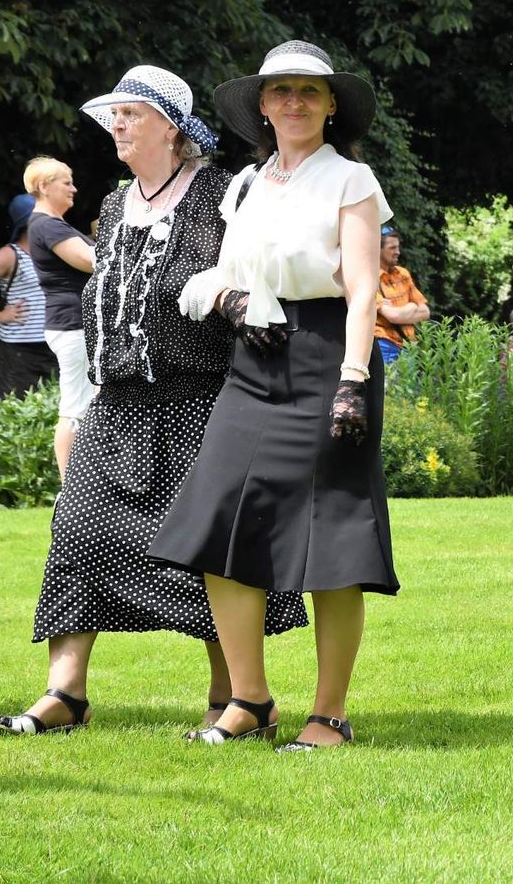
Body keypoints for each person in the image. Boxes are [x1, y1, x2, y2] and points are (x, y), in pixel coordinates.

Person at [0, 66, 307, 737]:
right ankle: (64, 693)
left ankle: (236, 698)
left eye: (131, 113)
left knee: (207, 551)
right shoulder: (115, 204)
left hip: (199, 401)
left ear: (170, 126)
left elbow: (255, 271)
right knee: (77, 530)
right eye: (115, 114)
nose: (117, 124)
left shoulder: (221, 193)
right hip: (117, 402)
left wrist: (230, 296)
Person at [149, 40, 396, 747]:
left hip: (328, 358)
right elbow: (224, 270)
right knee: (219, 517)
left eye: (309, 91)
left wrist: (353, 380)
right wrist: (227, 299)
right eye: (281, 90)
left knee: (333, 536)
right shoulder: (246, 184)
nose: (294, 102)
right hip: (253, 360)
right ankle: (250, 700)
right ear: (262, 104)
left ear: (330, 105)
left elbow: (363, 289)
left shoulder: (351, 178)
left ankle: (330, 715)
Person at [23, 157, 96, 472]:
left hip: (72, 324)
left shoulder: (50, 224)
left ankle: (83, 481)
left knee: (86, 402)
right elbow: (89, 261)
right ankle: (68, 487)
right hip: (72, 325)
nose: (74, 189)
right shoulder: (47, 225)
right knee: (75, 407)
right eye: (67, 182)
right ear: (44, 186)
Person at [0, 196, 53, 400]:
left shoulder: (53, 249)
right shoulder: (11, 254)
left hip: (51, 345)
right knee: (20, 407)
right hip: (18, 350)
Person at [374, 225, 430, 365]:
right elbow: (393, 316)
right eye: (392, 248)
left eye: (398, 247)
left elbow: (425, 312)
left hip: (408, 345)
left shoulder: (403, 274)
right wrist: (412, 307)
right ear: (378, 249)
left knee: (410, 381)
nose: (398, 252)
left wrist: (402, 311)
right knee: (388, 380)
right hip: (385, 345)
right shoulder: (370, 278)